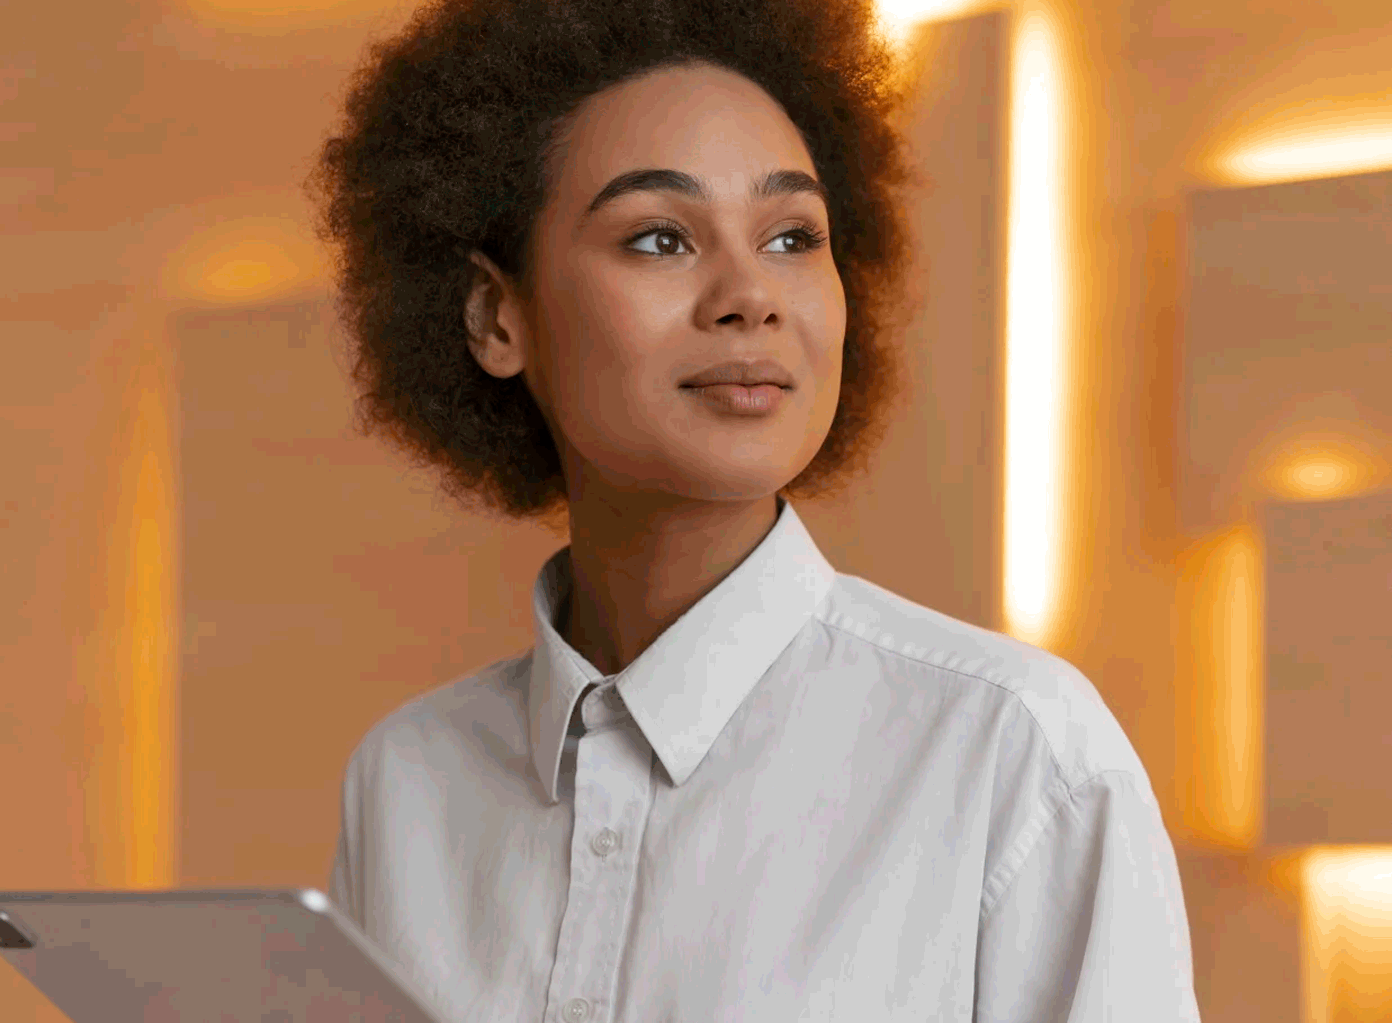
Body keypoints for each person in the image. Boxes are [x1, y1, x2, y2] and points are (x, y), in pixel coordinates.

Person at [305, 0, 1201, 1019]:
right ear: (494, 317)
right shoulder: (407, 781)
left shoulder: (1012, 750)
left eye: (791, 235)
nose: (751, 296)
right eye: (658, 238)